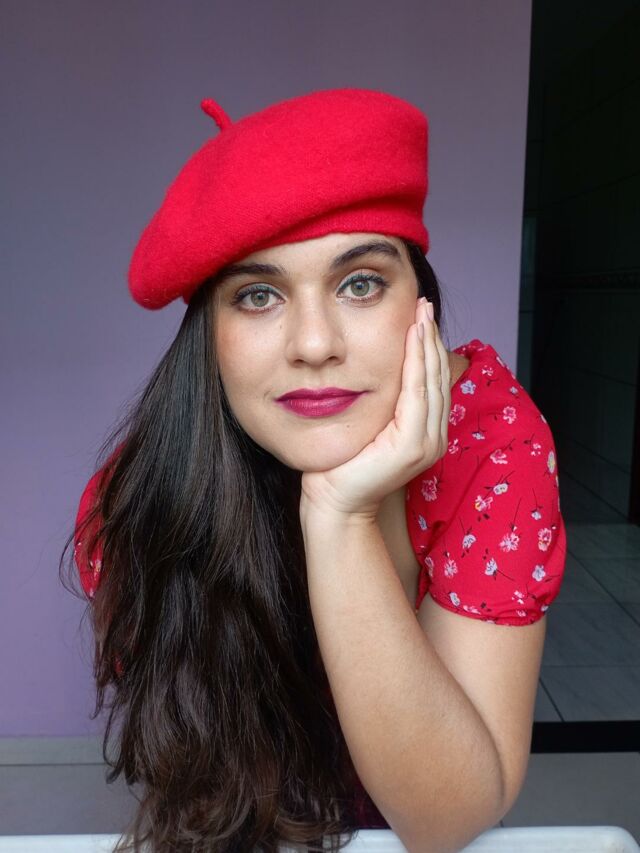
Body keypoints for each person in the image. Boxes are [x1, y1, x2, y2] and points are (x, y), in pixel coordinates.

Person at [63, 88, 567, 853]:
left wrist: (341, 515)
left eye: (359, 282)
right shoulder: (140, 505)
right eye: (258, 295)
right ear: (209, 337)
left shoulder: (491, 445)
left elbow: (446, 818)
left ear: (421, 303)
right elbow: (217, 794)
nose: (313, 343)